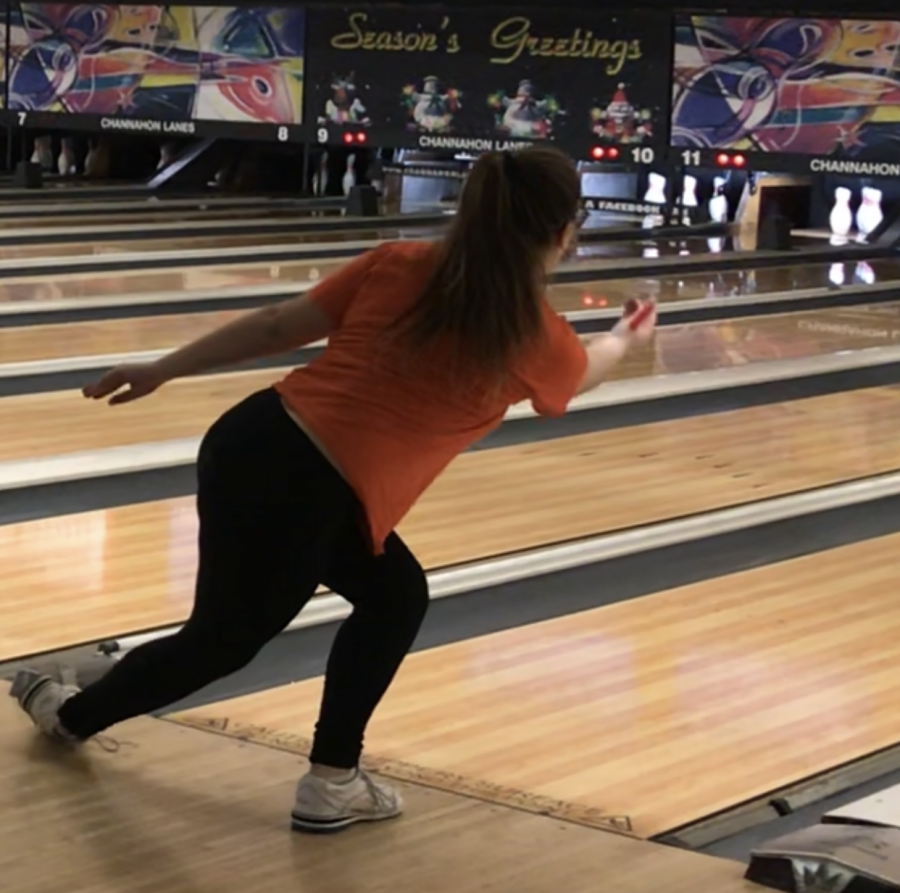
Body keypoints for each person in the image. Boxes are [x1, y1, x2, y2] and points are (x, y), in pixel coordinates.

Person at [11, 146, 656, 833]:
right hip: (305, 483)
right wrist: (622, 335)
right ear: (565, 231)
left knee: (394, 594)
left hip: (261, 442)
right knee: (221, 642)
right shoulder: (539, 336)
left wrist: (164, 367)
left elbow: (275, 325)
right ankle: (69, 714)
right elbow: (582, 374)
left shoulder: (401, 263)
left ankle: (333, 776)